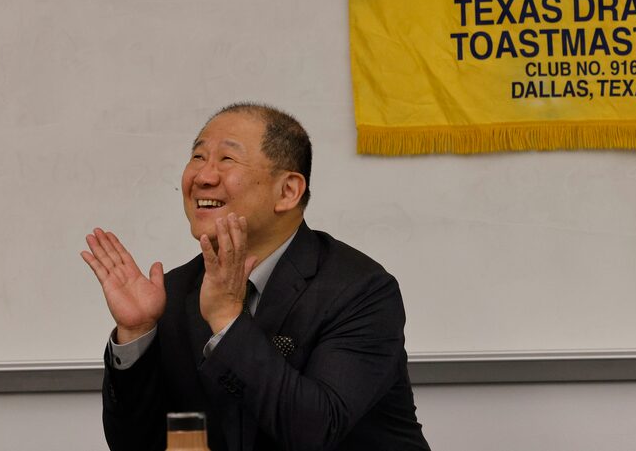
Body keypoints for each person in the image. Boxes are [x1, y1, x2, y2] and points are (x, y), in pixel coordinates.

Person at [80, 102, 430, 451]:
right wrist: (137, 334)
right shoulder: (174, 292)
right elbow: (136, 444)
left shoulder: (359, 291)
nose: (203, 176)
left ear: (288, 191)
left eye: (227, 159)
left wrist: (227, 320)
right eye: (198, 157)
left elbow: (315, 431)